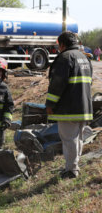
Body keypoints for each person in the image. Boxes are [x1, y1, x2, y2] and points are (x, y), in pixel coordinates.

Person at [45, 31, 93, 179]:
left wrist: (50, 104)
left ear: (62, 44)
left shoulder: (65, 58)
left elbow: (57, 84)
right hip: (83, 106)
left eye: (58, 45)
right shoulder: (84, 57)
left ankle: (71, 170)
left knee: (69, 139)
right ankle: (74, 165)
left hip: (69, 108)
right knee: (77, 137)